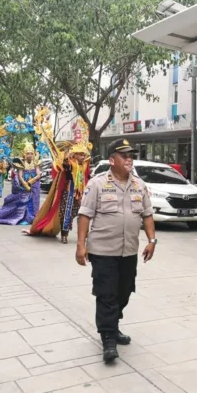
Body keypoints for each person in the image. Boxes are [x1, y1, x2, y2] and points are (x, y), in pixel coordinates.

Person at [76, 139, 157, 363]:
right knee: (107, 295)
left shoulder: (139, 186)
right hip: (103, 251)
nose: (130, 159)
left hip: (129, 251)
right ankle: (108, 338)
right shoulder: (98, 184)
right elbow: (85, 215)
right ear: (112, 160)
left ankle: (112, 324)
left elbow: (147, 214)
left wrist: (152, 240)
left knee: (124, 291)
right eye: (124, 156)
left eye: (131, 155)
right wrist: (81, 244)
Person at [0, 143, 41, 225]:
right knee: (21, 202)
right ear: (24, 154)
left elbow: (38, 174)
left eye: (31, 153)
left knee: (32, 203)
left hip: (34, 186)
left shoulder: (36, 163)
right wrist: (25, 184)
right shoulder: (21, 163)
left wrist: (32, 181)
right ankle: (23, 217)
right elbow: (20, 176)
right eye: (28, 153)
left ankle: (31, 217)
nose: (30, 155)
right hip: (24, 187)